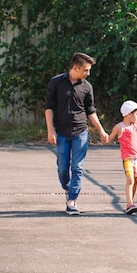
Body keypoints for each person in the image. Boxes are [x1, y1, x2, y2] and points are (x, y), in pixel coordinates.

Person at [45, 52, 109, 215]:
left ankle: (72, 200)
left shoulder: (87, 87)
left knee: (78, 168)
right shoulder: (57, 82)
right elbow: (49, 108)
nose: (88, 74)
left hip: (81, 132)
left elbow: (90, 111)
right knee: (62, 168)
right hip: (61, 133)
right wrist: (50, 130)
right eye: (86, 70)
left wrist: (101, 130)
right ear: (75, 67)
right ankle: (68, 188)